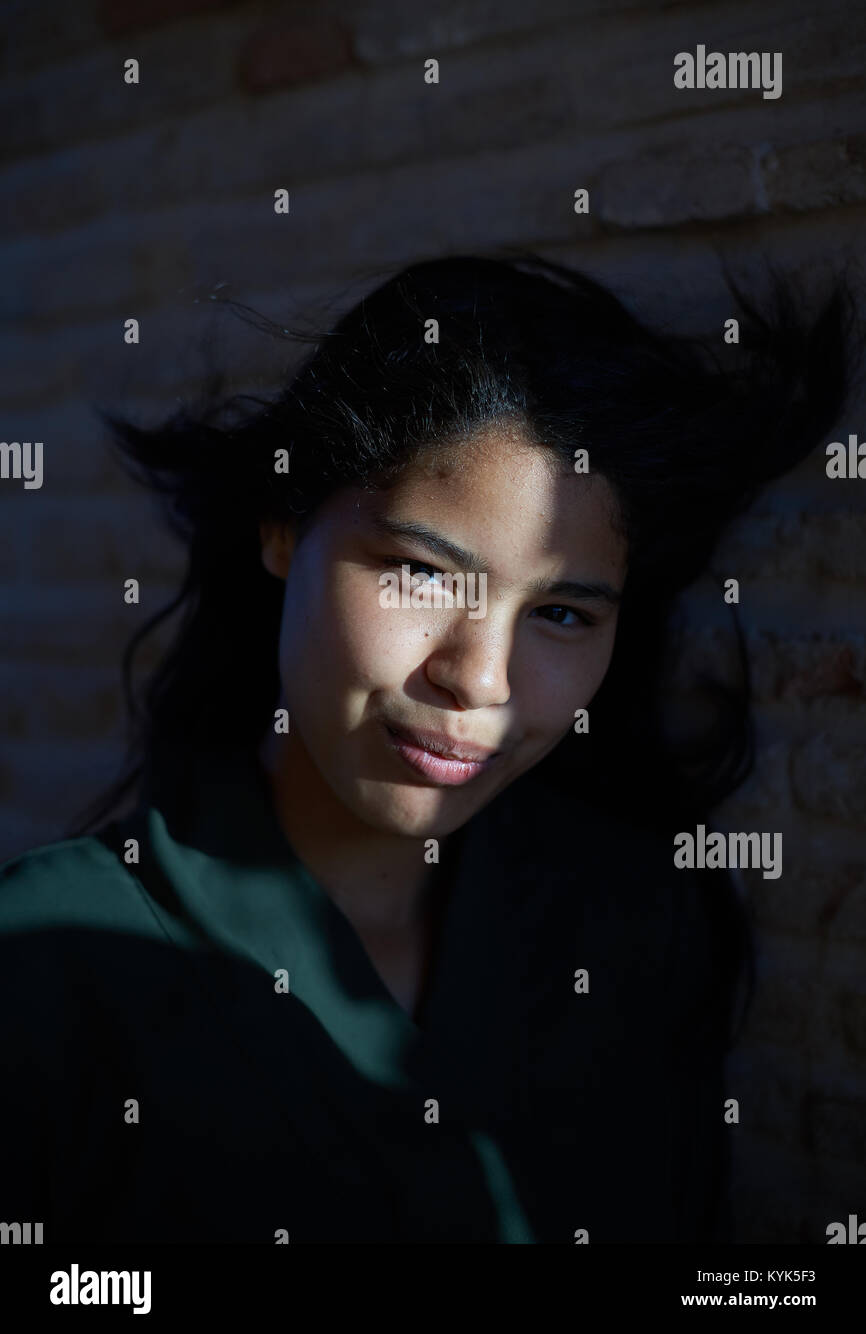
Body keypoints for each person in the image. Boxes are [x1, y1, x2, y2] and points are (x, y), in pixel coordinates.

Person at [0, 253, 853, 1244]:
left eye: (563, 614)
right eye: (420, 574)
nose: (481, 680)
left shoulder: (634, 925)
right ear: (281, 525)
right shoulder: (41, 964)